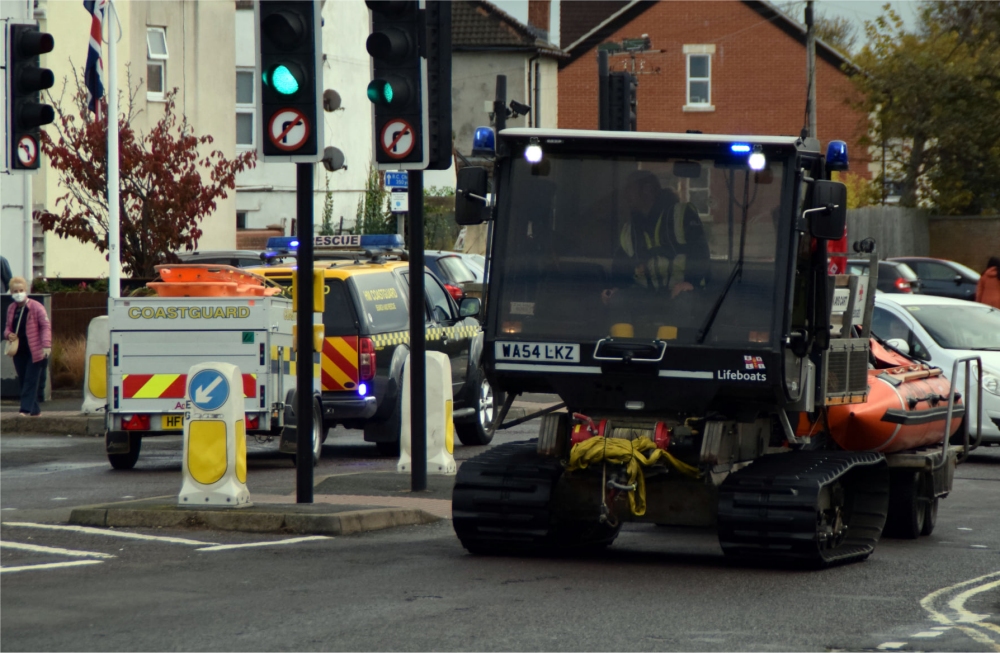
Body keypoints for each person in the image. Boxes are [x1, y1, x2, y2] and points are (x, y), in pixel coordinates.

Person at [603, 171, 710, 306]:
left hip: (681, 292)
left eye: (630, 188)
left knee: (685, 301)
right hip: (646, 296)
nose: (625, 194)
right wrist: (614, 289)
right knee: (617, 299)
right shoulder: (630, 229)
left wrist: (690, 282)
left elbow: (700, 252)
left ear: (647, 189)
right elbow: (621, 265)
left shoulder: (682, 215)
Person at [4, 277, 51, 416]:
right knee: (24, 379)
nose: (18, 293)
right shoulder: (12, 308)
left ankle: (24, 409)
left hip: (35, 350)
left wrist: (46, 345)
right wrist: (8, 335)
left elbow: (45, 326)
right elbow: (7, 328)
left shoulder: (36, 307)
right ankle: (35, 410)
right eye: (15, 291)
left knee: (31, 380)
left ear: (26, 291)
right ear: (11, 292)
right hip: (19, 350)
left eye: (21, 290)